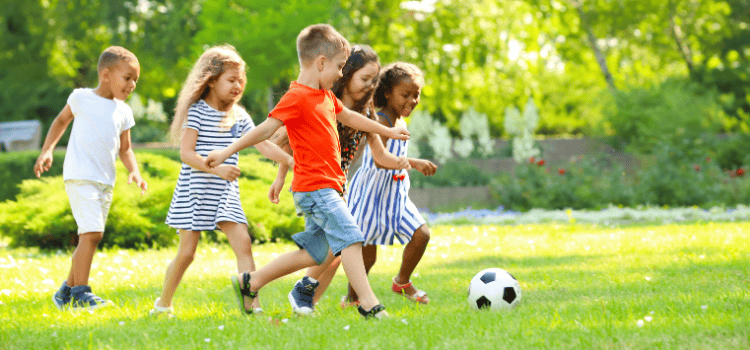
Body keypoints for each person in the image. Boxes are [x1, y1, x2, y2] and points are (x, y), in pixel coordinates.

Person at [205, 24, 410, 319]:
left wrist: (384, 129)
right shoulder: (297, 97)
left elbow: (351, 117)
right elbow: (264, 130)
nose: (341, 74)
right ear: (321, 63)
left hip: (329, 186)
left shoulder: (325, 96)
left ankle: (252, 281)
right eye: (339, 67)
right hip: (315, 188)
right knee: (350, 236)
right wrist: (225, 152)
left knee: (316, 253)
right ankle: (368, 303)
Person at [149, 45, 293, 317]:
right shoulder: (198, 111)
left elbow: (263, 145)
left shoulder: (239, 116)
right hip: (195, 191)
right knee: (187, 253)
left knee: (243, 243)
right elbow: (186, 154)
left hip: (225, 193)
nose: (238, 85)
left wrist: (291, 161)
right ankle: (163, 304)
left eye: (241, 80)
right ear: (212, 81)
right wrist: (217, 170)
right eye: (231, 80)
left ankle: (253, 306)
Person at [268, 44, 410, 307]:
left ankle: (303, 301)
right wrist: (280, 175)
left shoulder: (366, 113)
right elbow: (289, 141)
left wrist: (407, 162)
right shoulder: (320, 103)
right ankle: (352, 301)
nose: (370, 86)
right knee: (340, 242)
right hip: (314, 184)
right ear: (347, 74)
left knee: (328, 251)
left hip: (335, 186)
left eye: (374, 81)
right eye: (365, 79)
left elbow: (380, 156)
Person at [34, 46, 148, 310]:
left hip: (104, 181)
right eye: (127, 77)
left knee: (89, 236)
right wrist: (47, 150)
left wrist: (134, 170)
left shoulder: (124, 111)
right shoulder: (82, 98)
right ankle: (81, 294)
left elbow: (125, 148)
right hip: (80, 176)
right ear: (106, 74)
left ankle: (65, 292)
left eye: (135, 80)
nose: (131, 85)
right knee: (92, 233)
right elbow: (61, 121)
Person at [344, 62, 437, 306]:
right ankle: (352, 298)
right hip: (371, 194)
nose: (412, 100)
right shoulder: (381, 121)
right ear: (388, 93)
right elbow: (380, 159)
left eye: (416, 95)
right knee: (367, 256)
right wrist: (414, 163)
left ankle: (402, 281)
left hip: (395, 195)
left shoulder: (400, 123)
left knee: (421, 234)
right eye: (405, 95)